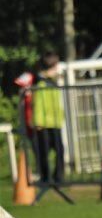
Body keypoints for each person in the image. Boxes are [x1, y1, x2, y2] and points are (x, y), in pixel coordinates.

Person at [31, 52, 65, 184]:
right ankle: (45, 178)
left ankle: (58, 177)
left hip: (55, 122)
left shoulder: (53, 83)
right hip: (44, 124)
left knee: (60, 150)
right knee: (43, 152)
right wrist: (38, 122)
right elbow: (38, 104)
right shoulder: (40, 84)